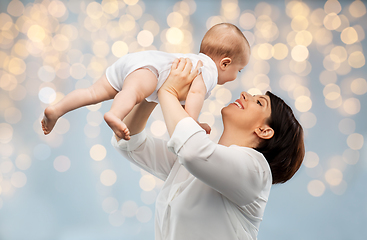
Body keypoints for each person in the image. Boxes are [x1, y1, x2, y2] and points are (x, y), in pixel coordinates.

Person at [112, 58, 305, 240]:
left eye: (259, 102)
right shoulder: (198, 163)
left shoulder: (256, 172)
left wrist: (168, 90)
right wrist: (155, 88)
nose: (245, 94)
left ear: (264, 130)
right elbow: (130, 143)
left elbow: (192, 151)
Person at [41, 23, 250, 140]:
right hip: (150, 71)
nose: (235, 77)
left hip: (135, 61)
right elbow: (195, 95)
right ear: (225, 63)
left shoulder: (194, 61)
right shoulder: (209, 71)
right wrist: (191, 122)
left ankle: (56, 110)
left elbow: (180, 101)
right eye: (238, 71)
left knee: (92, 93)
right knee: (132, 93)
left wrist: (191, 117)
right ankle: (115, 114)